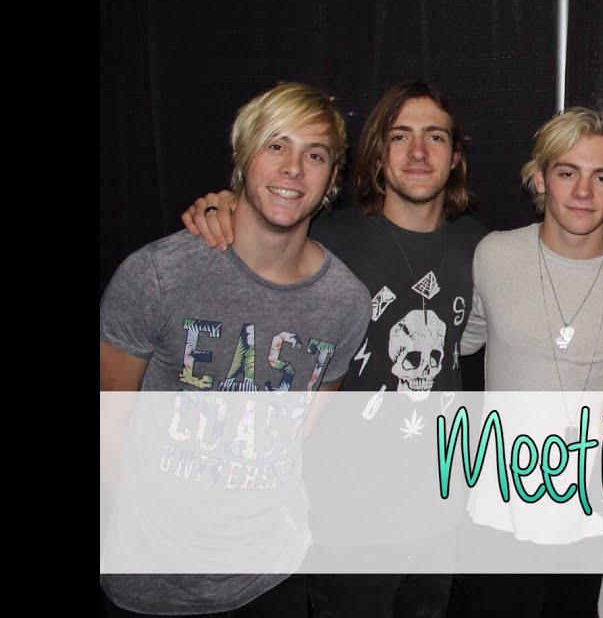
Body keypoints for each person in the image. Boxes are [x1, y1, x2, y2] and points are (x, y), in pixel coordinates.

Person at [180, 81, 486, 618]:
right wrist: (222, 205)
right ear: (377, 154)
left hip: (440, 518)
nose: (418, 152)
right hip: (344, 523)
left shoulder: (478, 247)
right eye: (400, 136)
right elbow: (260, 222)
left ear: (456, 156)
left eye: (435, 137)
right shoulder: (322, 238)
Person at [99, 81, 371, 616]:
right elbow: (108, 424)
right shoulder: (156, 276)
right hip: (150, 583)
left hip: (271, 578)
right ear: (244, 157)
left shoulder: (347, 303)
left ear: (332, 176)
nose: (293, 169)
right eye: (276, 145)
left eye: (314, 155)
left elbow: (302, 429)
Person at [453, 107, 603, 618]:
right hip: (499, 507)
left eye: (602, 177)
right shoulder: (493, 255)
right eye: (567, 172)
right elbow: (461, 341)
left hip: (594, 512)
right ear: (540, 179)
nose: (583, 192)